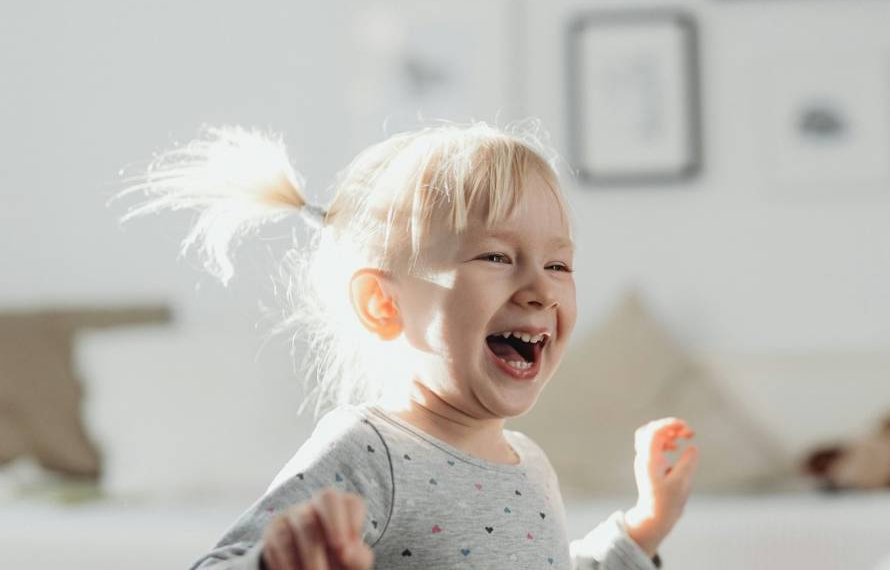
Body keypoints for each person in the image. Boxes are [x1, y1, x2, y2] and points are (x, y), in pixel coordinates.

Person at [116, 120, 698, 569]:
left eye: (559, 263)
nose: (541, 289)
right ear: (383, 303)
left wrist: (643, 527)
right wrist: (277, 562)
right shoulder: (373, 453)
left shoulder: (530, 464)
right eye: (496, 256)